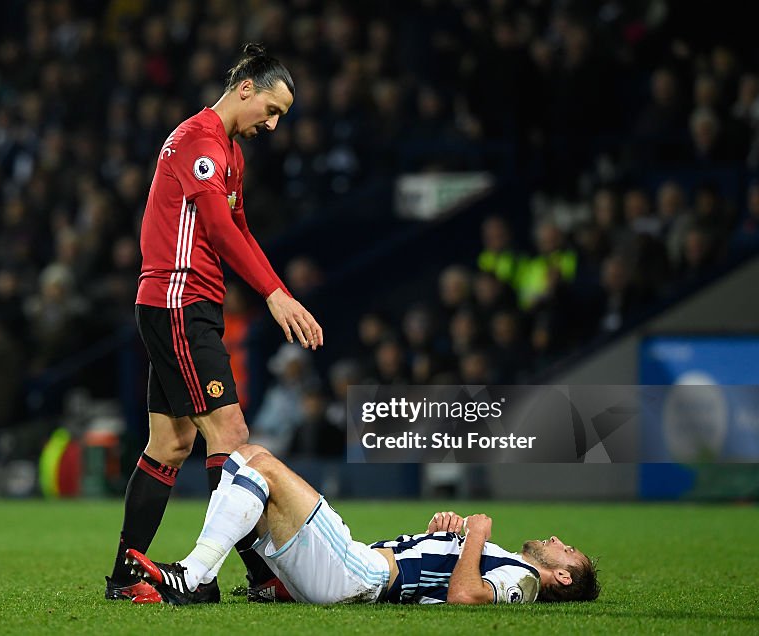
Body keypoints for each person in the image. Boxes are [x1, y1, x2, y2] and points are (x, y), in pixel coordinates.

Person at [106, 44, 324, 603]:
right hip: (179, 302)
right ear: (246, 88)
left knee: (170, 443)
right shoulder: (198, 141)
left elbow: (242, 230)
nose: (272, 125)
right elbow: (220, 231)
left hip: (184, 305)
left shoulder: (229, 151)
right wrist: (274, 296)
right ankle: (247, 577)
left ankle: (127, 575)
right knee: (232, 438)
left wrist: (282, 293)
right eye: (271, 110)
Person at [125, 444, 600, 605]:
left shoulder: (527, 582)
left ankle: (193, 575)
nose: (558, 541)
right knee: (244, 459)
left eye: (568, 551)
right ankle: (212, 575)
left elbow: (465, 597)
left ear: (562, 576)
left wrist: (474, 532)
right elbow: (445, 578)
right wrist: (443, 534)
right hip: (349, 573)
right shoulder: (508, 566)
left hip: (359, 573)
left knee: (261, 464)